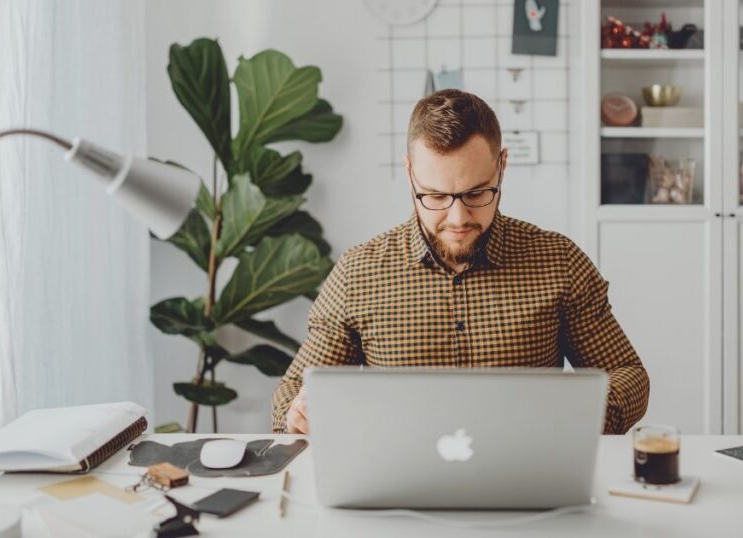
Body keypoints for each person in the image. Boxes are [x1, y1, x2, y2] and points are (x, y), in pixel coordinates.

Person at [271, 89, 649, 435]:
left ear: (501, 167)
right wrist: (298, 413)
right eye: (434, 196)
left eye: (476, 193)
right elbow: (293, 391)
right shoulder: (359, 273)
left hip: (527, 478)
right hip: (398, 484)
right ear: (409, 174)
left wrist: (580, 416)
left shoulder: (559, 262)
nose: (457, 219)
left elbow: (629, 376)